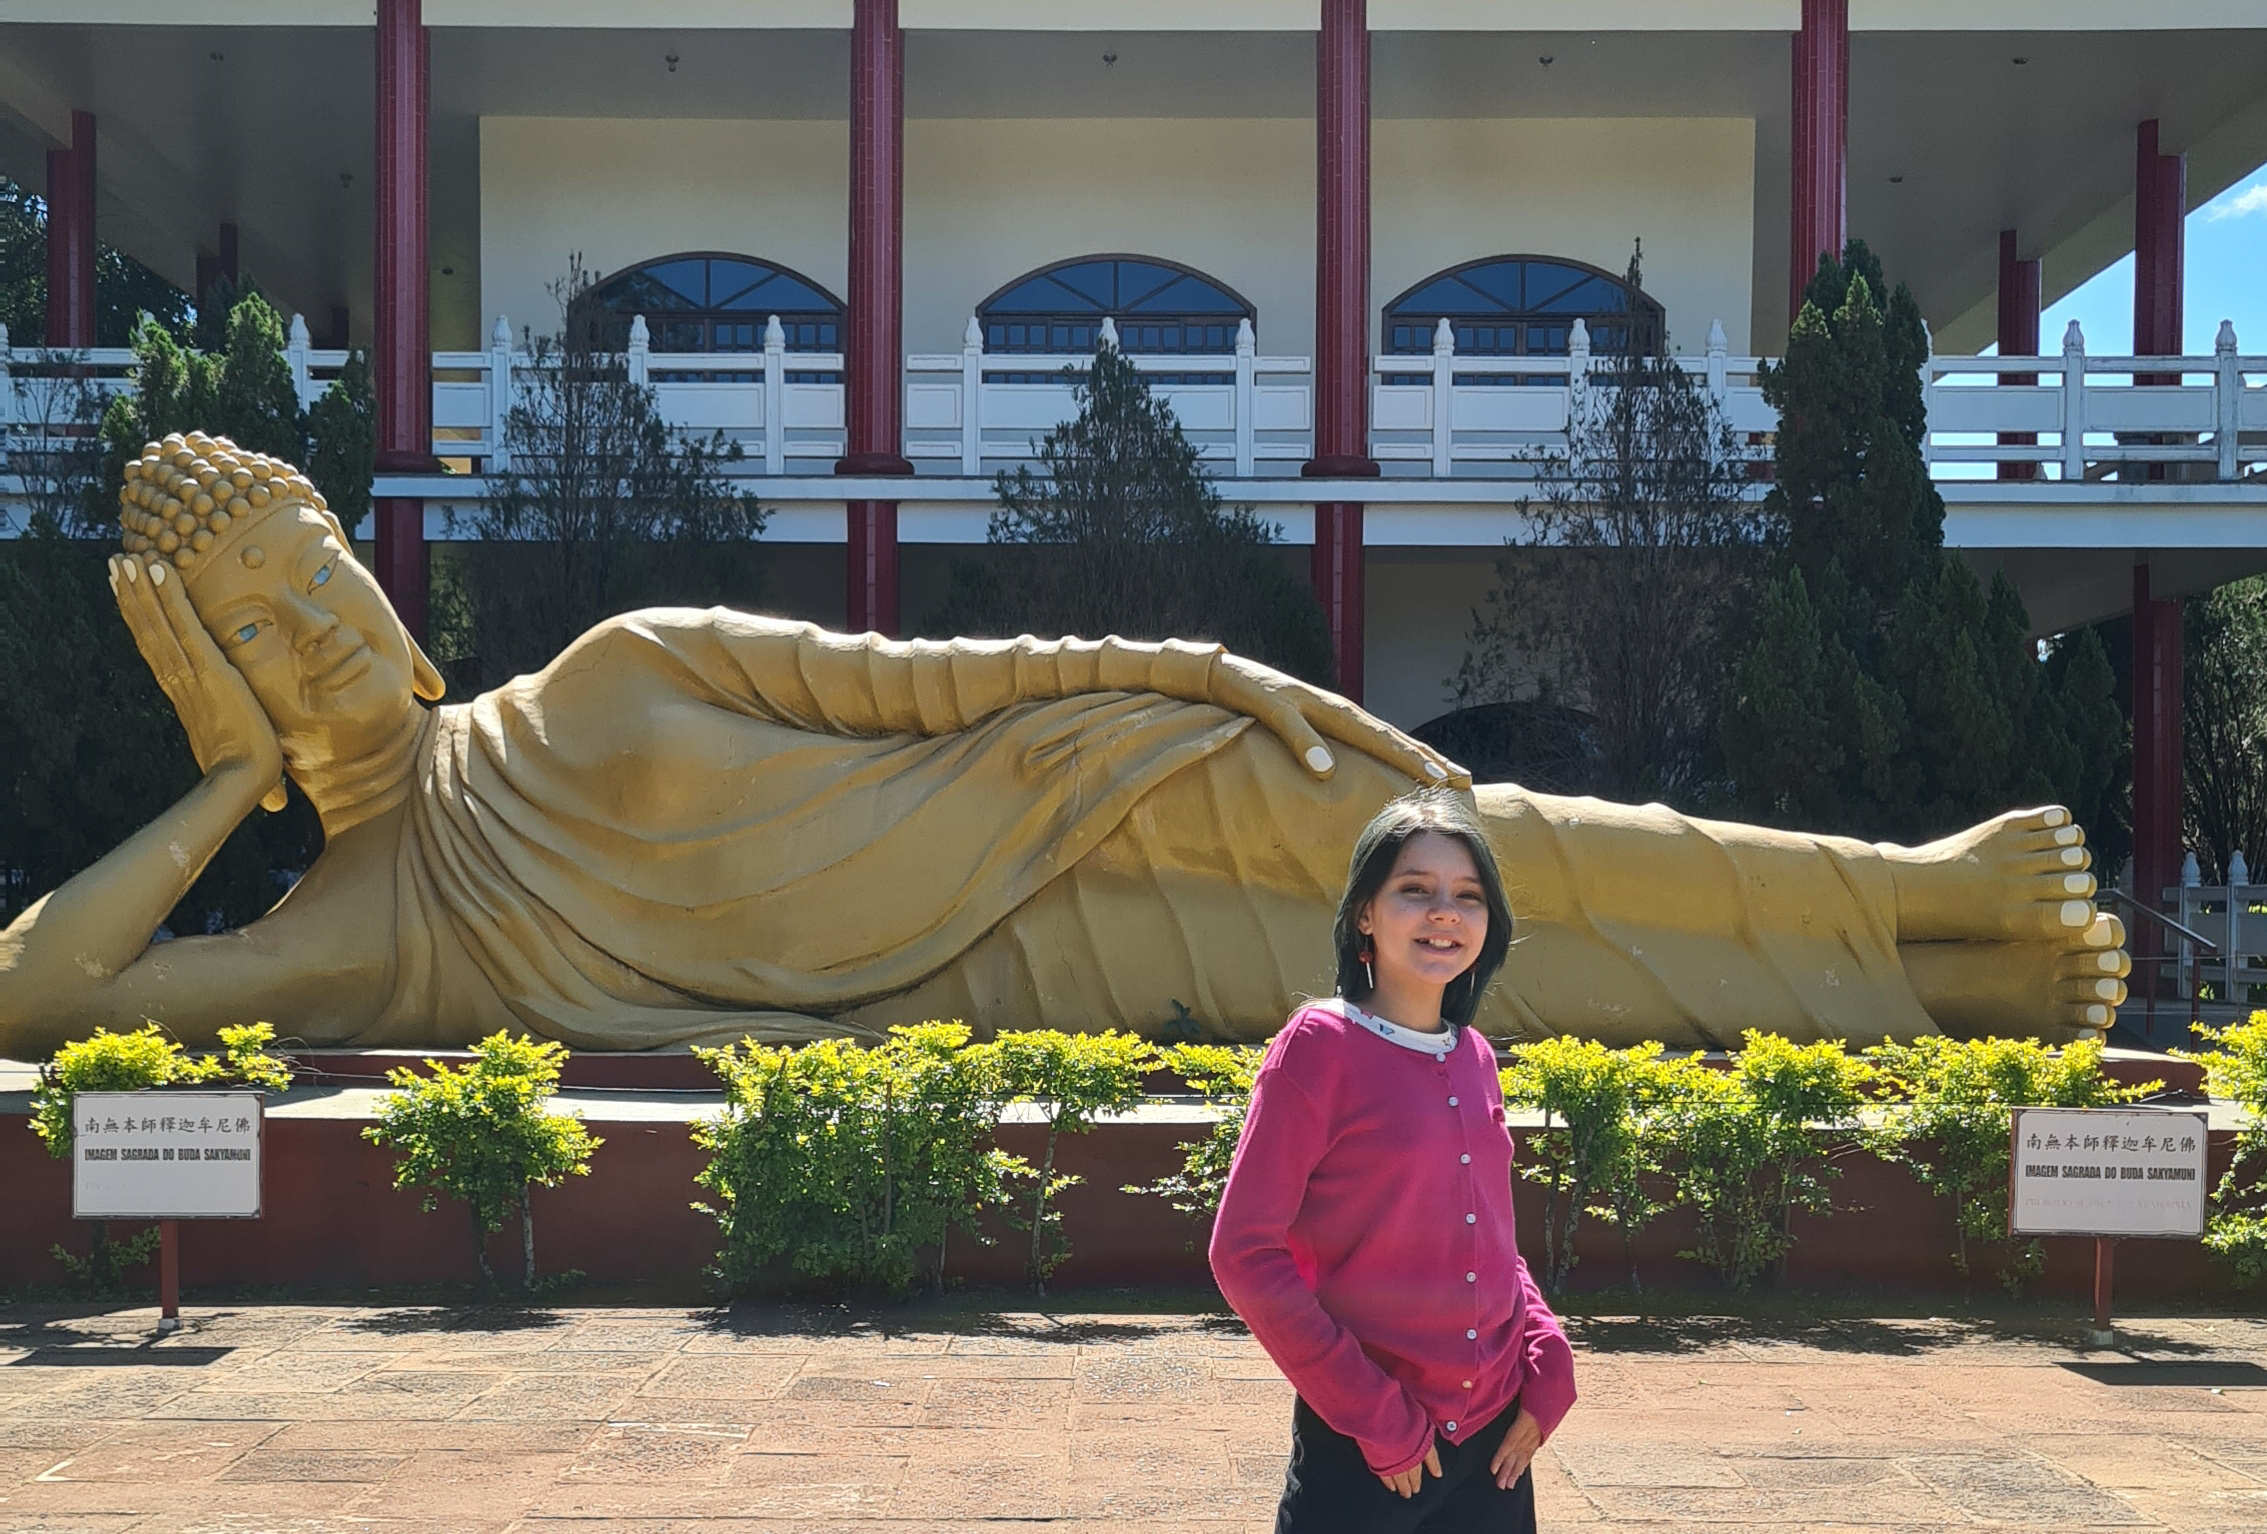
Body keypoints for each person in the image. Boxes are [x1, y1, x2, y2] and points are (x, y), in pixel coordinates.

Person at [0, 433, 2128, 1058]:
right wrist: (224, 771)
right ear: (228, 668)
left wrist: (1200, 669)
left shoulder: (618, 669)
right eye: (267, 626)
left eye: (327, 569)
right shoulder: (361, 927)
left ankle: (1917, 902)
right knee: (1450, 947)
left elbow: (932, 683)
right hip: (1007, 969)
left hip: (1081, 772)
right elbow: (35, 995)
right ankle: (1929, 1002)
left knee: (1486, 839)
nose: (335, 626)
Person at [1210, 791, 1575, 1534]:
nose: (1444, 911)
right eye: (1415, 890)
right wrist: (1374, 1416)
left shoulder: (1473, 1056)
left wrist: (1546, 1356)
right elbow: (1244, 1253)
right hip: (1368, 1447)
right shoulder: (1319, 1047)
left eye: (1467, 897)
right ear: (1363, 917)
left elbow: (1489, 1239)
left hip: (1495, 1441)